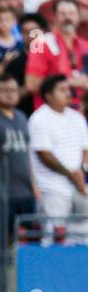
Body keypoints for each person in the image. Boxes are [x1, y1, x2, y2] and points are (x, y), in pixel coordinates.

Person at [28, 74, 88, 244]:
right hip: (52, 190)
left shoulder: (77, 118)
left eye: (68, 89)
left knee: (83, 240)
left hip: (78, 189)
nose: (68, 93)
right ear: (48, 95)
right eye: (62, 90)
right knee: (54, 241)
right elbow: (45, 155)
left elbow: (85, 150)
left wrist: (82, 171)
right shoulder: (39, 119)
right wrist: (71, 174)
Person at [0, 74, 37, 241]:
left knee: (27, 239)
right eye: (5, 90)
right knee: (3, 239)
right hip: (3, 190)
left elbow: (27, 153)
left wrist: (34, 183)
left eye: (14, 90)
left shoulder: (22, 116)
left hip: (25, 190)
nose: (10, 94)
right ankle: (4, 268)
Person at [24, 0, 88, 109]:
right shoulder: (40, 42)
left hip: (80, 115)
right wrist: (71, 82)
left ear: (78, 16)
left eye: (71, 13)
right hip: (50, 113)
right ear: (54, 17)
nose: (67, 18)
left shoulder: (85, 46)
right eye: (62, 14)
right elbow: (31, 84)